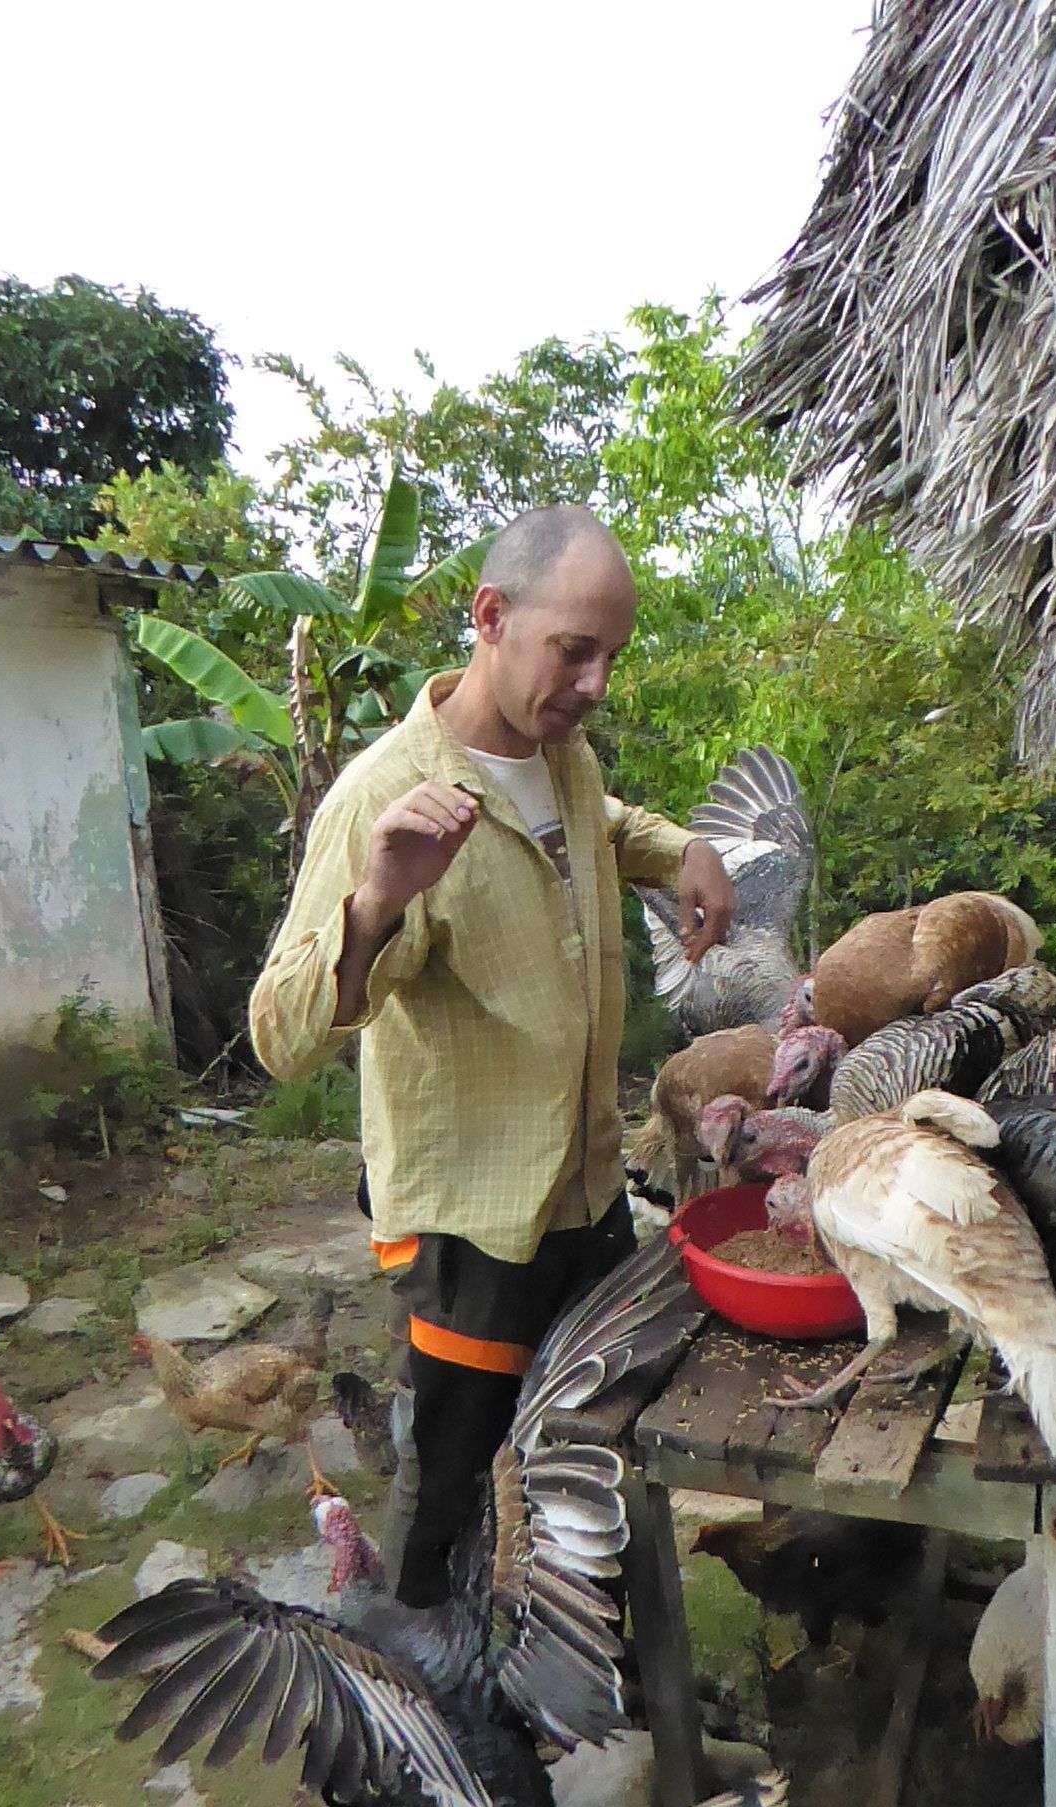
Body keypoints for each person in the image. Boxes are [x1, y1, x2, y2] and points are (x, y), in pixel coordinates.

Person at [249, 505, 734, 1604]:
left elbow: (600, 821)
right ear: (490, 617)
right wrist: (377, 901)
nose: (596, 681)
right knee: (455, 1491)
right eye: (575, 649)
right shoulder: (385, 796)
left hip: (587, 1193)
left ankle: (575, 1680)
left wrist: (681, 847)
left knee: (584, 1461)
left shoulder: (560, 756)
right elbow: (277, 1035)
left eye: (612, 654)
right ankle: (426, 1724)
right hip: (472, 1230)